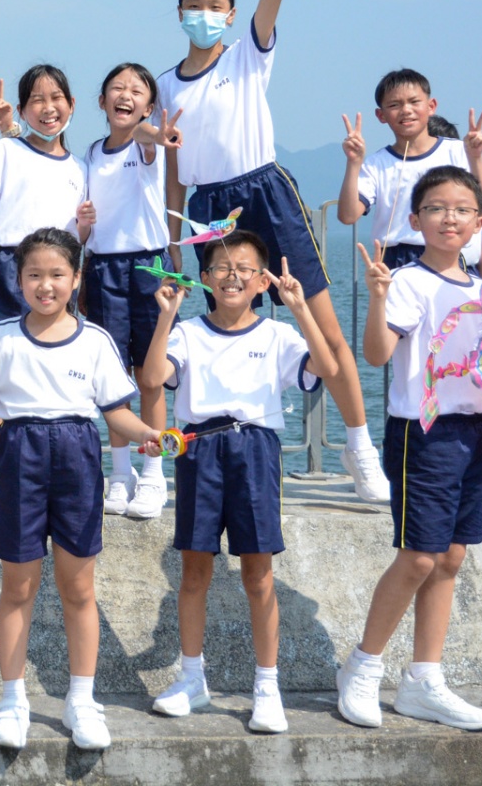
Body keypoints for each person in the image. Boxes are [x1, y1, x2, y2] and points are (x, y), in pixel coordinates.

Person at [155, 0, 388, 504]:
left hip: (266, 192)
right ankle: (219, 447)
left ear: (231, 16)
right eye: (193, 5)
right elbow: (173, 168)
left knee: (323, 327)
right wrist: (175, 240)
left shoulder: (247, 55)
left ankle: (360, 447)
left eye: (215, 6)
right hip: (208, 210)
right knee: (225, 330)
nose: (204, 14)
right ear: (179, 13)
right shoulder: (165, 84)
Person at [0, 229, 162, 751]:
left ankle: (81, 700)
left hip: (77, 456)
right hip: (17, 454)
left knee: (79, 589)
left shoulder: (96, 341)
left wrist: (148, 435)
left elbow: (116, 413)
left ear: (77, 279)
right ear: (18, 280)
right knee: (17, 587)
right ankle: (11, 700)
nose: (46, 285)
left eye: (57, 275)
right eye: (34, 275)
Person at [141, 230, 339, 734]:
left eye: (245, 269)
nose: (232, 277)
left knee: (258, 574)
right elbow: (152, 378)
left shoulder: (277, 334)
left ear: (262, 281)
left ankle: (267, 687)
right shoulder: (188, 332)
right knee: (194, 572)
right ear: (205, 278)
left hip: (255, 450)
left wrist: (300, 308)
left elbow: (328, 367)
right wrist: (165, 317)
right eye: (221, 269)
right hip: (198, 449)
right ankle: (192, 679)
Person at [337, 166, 482, 733]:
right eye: (436, 208)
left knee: (451, 558)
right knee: (419, 557)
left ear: (480, 222)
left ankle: (423, 681)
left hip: (475, 430)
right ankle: (362, 666)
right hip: (423, 432)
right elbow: (377, 355)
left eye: (462, 209)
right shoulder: (407, 281)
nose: (449, 218)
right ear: (415, 219)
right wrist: (378, 297)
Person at [0, 64, 90, 544]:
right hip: (10, 268)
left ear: (72, 106)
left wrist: (85, 231)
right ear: (24, 108)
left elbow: (81, 236)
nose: (48, 108)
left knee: (48, 374)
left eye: (56, 98)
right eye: (37, 99)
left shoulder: (81, 168)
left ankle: (39, 475)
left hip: (60, 276)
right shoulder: (6, 150)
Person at [80, 63, 184, 523]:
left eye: (136, 90)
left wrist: (157, 133)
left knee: (150, 375)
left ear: (149, 106)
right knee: (113, 376)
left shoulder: (147, 147)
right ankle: (120, 473)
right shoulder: (90, 152)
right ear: (101, 101)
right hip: (103, 268)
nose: (125, 95)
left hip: (148, 267)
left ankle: (155, 473)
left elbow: (145, 136)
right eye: (116, 88)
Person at [337, 69, 482, 270]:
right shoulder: (376, 164)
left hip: (450, 255)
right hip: (396, 258)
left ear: (431, 106)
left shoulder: (458, 151)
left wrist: (476, 158)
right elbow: (348, 216)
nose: (406, 110)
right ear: (381, 115)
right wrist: (353, 163)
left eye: (414, 102)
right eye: (394, 105)